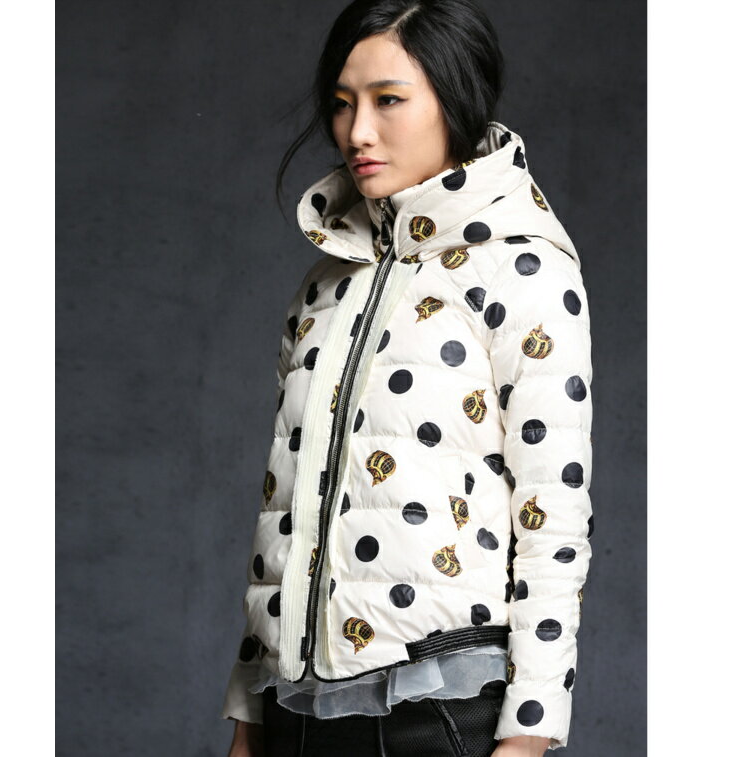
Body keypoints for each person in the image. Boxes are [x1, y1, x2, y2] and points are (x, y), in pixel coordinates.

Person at [221, 1, 594, 755]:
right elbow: (287, 511)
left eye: (388, 100)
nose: (357, 131)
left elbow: (551, 514)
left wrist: (529, 731)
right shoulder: (325, 286)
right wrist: (248, 712)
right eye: (342, 104)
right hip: (294, 711)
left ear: (455, 100)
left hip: (438, 708)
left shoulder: (525, 269)